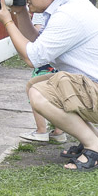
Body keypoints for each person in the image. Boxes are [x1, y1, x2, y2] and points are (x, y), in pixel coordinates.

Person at [0, 0, 98, 171]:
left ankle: (95, 148)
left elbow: (33, 58)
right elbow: (38, 46)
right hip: (95, 86)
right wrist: (21, 12)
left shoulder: (68, 15)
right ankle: (96, 138)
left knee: (40, 94)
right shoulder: (68, 5)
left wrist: (7, 22)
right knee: (37, 83)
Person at [18, 11, 67, 143]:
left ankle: (41, 131)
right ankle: (59, 132)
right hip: (58, 59)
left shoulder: (41, 12)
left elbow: (37, 35)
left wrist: (26, 19)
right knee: (58, 94)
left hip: (44, 62)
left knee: (34, 91)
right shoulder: (61, 12)